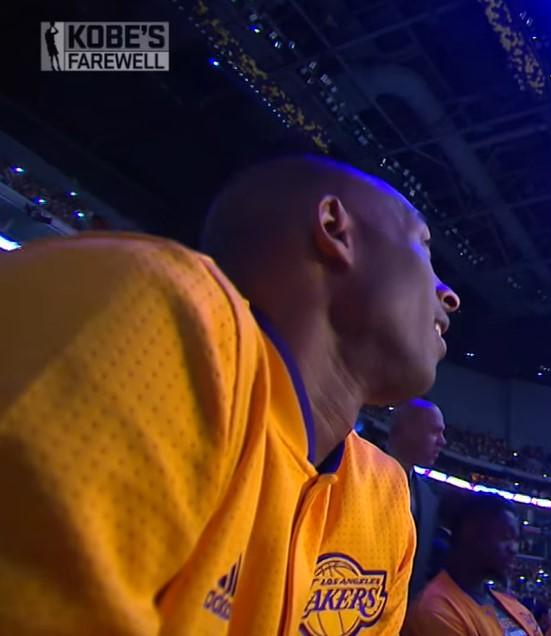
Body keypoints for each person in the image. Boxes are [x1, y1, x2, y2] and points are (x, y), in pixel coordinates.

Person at [0, 155, 460, 633]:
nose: (450, 295)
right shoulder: (165, 316)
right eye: (424, 247)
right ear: (335, 229)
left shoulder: (384, 498)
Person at [404, 492, 541, 635]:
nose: (514, 549)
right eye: (506, 537)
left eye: (516, 540)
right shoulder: (436, 610)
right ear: (472, 535)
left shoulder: (510, 604)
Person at [387, 398, 447, 601]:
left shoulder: (429, 498)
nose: (442, 441)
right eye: (435, 431)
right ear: (406, 429)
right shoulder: (360, 472)